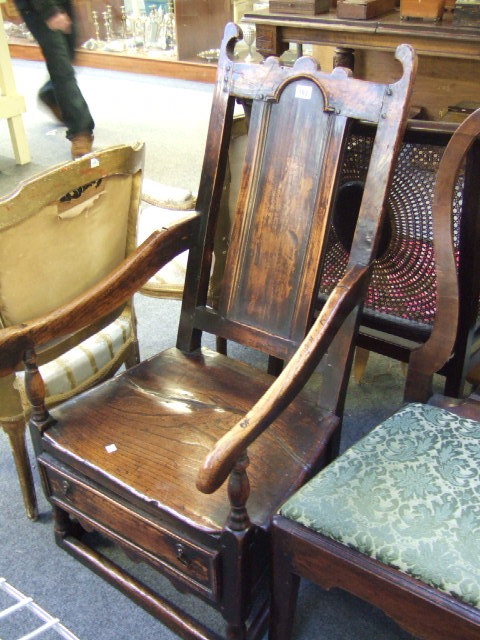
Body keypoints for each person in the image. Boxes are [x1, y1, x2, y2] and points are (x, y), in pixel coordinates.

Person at [13, 0, 95, 158]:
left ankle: (49, 93)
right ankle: (80, 131)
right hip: (37, 6)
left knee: (69, 56)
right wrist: (49, 10)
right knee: (60, 64)